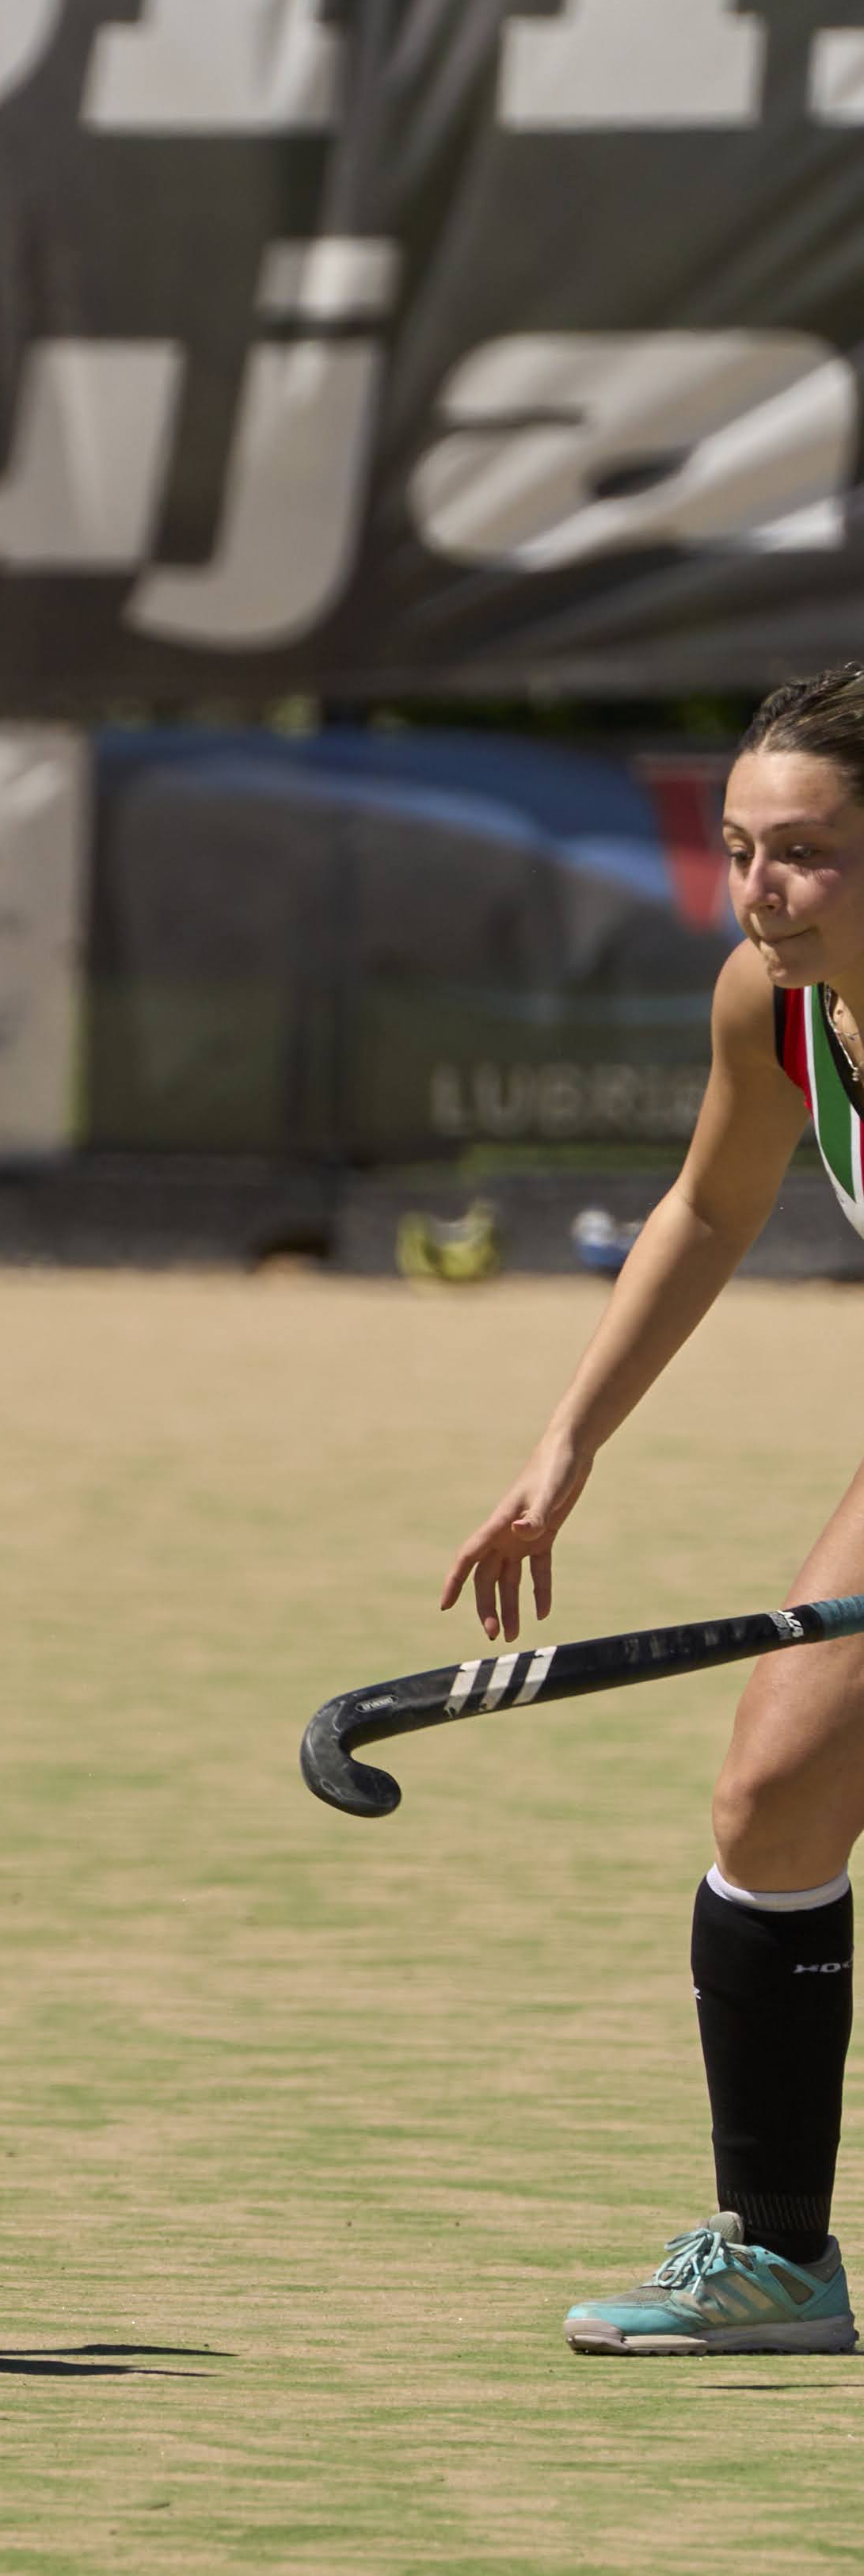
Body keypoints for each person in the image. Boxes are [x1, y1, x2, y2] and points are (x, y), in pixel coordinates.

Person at [444, 665, 864, 2355]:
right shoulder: (775, 1003)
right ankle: (779, 2259)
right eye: (742, 847)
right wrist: (570, 1444)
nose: (763, 887)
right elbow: (705, 1206)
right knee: (774, 1798)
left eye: (808, 851)